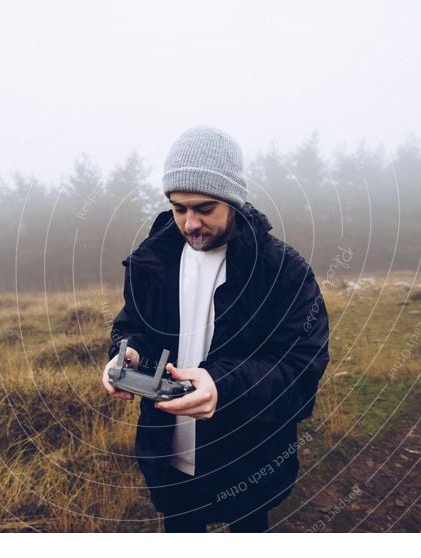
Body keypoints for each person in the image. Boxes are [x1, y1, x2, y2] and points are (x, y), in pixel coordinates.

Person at [102, 125, 330, 532]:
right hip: (169, 458)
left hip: (248, 460)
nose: (189, 223)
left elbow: (301, 367)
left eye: (204, 208)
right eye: (178, 208)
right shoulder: (150, 262)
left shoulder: (282, 271)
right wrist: (127, 352)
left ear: (233, 200)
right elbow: (131, 325)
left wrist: (223, 386)